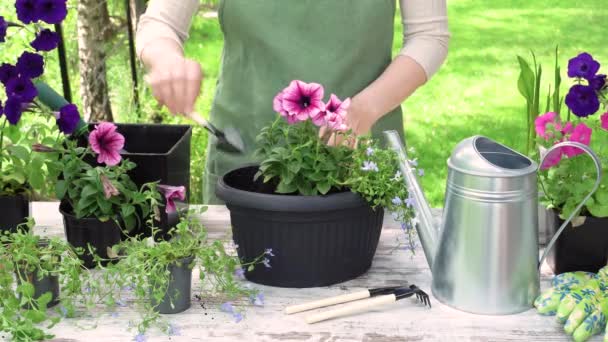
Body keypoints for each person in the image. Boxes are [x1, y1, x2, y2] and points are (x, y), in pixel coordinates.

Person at [136, 0, 450, 204]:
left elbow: (429, 35)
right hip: (245, 162)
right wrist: (165, 60)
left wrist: (365, 109)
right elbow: (161, 23)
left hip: (360, 160)